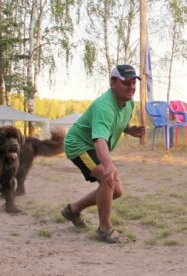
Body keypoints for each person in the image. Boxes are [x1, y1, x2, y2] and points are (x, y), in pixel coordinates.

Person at [61, 64, 146, 243]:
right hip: (79, 145)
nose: (131, 87)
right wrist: (108, 165)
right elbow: (99, 139)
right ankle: (105, 229)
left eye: (133, 83)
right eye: (126, 83)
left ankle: (73, 209)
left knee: (116, 191)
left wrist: (129, 130)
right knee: (108, 178)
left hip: (94, 144)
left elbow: (116, 123)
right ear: (113, 83)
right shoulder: (104, 107)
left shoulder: (129, 102)